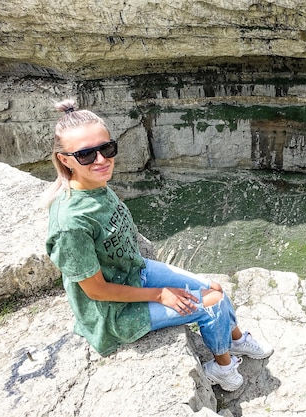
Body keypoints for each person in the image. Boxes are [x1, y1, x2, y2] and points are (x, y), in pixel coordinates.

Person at [44, 99, 272, 392]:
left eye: (107, 149)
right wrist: (159, 294)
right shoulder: (71, 224)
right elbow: (95, 291)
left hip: (135, 272)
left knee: (214, 288)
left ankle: (237, 340)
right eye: (86, 155)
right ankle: (224, 370)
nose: (101, 160)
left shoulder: (96, 185)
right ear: (65, 159)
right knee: (212, 304)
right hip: (113, 312)